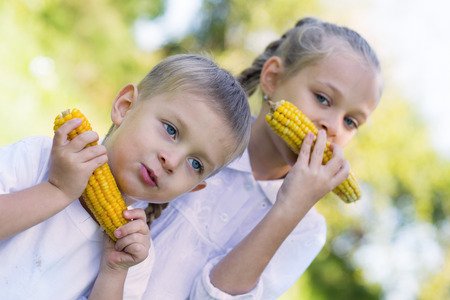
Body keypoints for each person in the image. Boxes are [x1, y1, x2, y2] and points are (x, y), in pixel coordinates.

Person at [140, 17, 383, 299]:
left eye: (351, 122)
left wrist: (289, 210)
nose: (334, 127)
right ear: (273, 79)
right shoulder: (196, 145)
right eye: (323, 99)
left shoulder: (307, 229)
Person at [0, 54, 252, 300]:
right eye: (171, 129)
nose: (172, 161)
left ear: (192, 189)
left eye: (195, 163)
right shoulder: (39, 159)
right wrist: (57, 191)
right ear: (125, 106)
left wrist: (113, 272)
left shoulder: (133, 258)